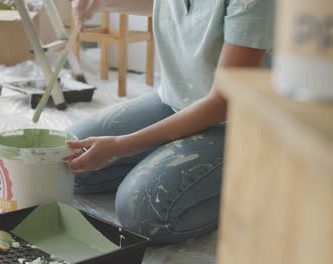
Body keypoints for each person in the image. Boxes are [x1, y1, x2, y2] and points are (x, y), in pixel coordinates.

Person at [66, 0, 274, 243]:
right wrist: (100, 3)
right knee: (72, 159)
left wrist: (123, 145)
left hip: (239, 121)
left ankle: (264, 182)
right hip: (176, 100)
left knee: (143, 212)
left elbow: (223, 101)